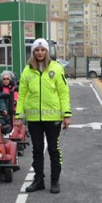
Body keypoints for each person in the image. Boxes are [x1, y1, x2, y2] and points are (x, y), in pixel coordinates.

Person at [15, 38, 72, 194]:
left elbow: (64, 93)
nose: (40, 52)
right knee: (37, 150)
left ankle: (55, 181)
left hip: (53, 118)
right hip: (34, 119)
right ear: (33, 52)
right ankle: (38, 180)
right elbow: (21, 95)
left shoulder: (57, 68)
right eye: (37, 50)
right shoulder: (27, 71)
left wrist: (67, 115)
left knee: (54, 149)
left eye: (43, 50)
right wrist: (18, 116)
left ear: (47, 51)